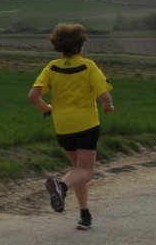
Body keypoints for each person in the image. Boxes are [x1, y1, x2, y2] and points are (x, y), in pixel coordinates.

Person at [29, 22, 114, 231]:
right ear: (80, 46)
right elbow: (104, 94)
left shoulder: (52, 67)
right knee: (86, 170)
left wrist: (47, 109)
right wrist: (108, 105)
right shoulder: (88, 66)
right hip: (85, 124)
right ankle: (62, 186)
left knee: (78, 170)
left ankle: (84, 215)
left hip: (63, 126)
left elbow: (33, 95)